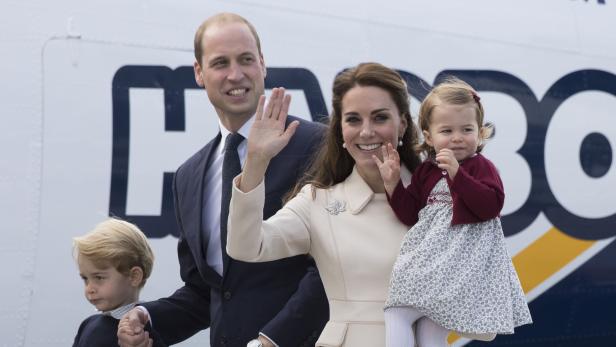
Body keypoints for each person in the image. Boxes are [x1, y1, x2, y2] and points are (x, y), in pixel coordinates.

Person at [117, 12, 329, 347]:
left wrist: (272, 340)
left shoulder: (317, 146)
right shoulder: (189, 176)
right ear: (199, 73)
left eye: (246, 59)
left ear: (262, 64)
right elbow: (208, 293)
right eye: (220, 63)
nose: (235, 74)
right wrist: (148, 318)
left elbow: (332, 270)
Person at [226, 62, 423, 346]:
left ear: (403, 123)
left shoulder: (437, 198)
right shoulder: (318, 202)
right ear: (340, 129)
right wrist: (256, 163)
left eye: (379, 118)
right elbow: (245, 248)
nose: (366, 132)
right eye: (353, 120)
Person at [374, 77, 533, 346]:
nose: (457, 138)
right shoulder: (427, 170)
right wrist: (392, 185)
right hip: (433, 262)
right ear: (429, 136)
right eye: (446, 131)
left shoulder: (481, 167)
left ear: (480, 133)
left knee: (398, 311)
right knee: (428, 327)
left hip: (459, 265)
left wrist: (458, 174)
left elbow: (490, 206)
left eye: (467, 130)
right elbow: (410, 213)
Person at [73, 218, 163, 347]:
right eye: (85, 279)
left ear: (134, 277)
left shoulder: (142, 329)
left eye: (99, 277)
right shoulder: (87, 325)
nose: (89, 289)